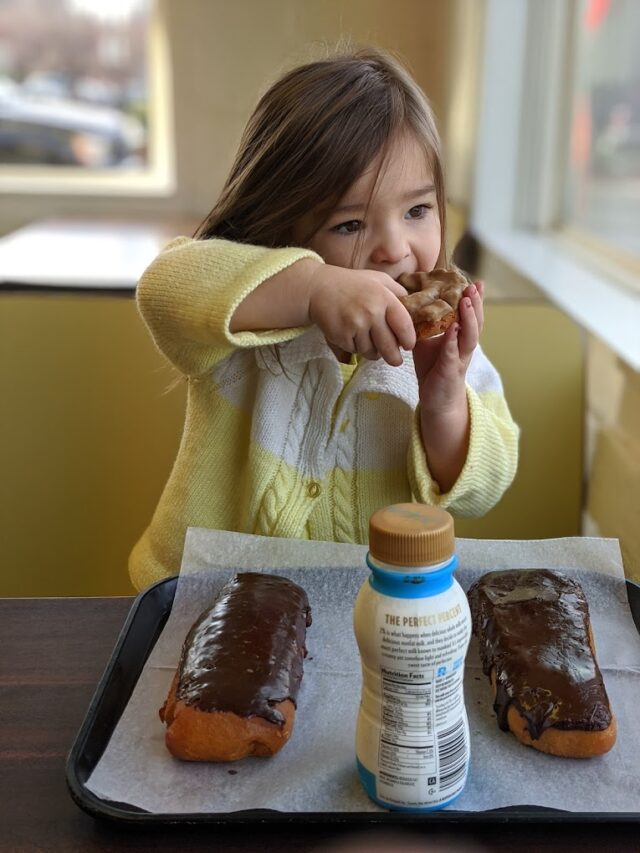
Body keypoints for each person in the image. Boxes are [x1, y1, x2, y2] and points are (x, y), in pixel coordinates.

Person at [129, 46, 519, 591]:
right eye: (350, 224)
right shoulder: (247, 325)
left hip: (364, 616)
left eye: (417, 211)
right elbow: (163, 287)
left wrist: (444, 400)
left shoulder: (450, 352)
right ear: (283, 227)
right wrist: (312, 287)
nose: (394, 248)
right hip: (205, 601)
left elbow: (486, 486)